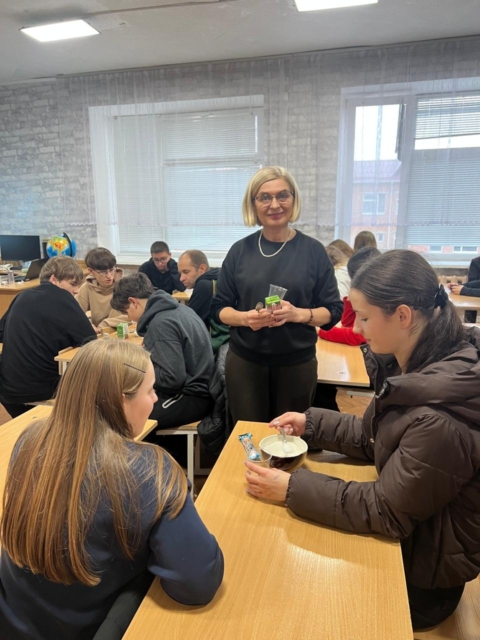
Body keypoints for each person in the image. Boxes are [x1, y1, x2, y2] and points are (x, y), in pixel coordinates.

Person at [244, 249, 480, 632]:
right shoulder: (418, 366)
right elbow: (375, 437)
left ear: (402, 316)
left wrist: (291, 488)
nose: (358, 329)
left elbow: (385, 512)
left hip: (418, 581)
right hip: (410, 545)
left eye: (365, 318)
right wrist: (311, 424)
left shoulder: (440, 415)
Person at [0, 339, 224, 640]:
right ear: (121, 401)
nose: (156, 399)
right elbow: (199, 582)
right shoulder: (150, 471)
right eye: (150, 390)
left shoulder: (29, 441)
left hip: (15, 621)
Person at [211, 166, 343, 425]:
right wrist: (245, 318)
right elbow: (219, 308)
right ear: (253, 204)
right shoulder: (239, 251)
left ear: (293, 199)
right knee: (249, 437)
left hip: (296, 365)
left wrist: (299, 314)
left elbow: (333, 311)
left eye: (282, 195)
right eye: (264, 197)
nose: (274, 205)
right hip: (245, 363)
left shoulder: (313, 251)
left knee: (289, 438)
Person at [112, 273, 214, 428]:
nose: (130, 319)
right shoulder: (178, 309)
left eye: (126, 313)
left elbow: (171, 380)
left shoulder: (161, 323)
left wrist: (138, 366)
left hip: (193, 396)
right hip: (201, 388)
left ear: (133, 302)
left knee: (125, 416)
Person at [0, 257, 96, 418]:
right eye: (73, 284)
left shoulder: (22, 296)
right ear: (54, 279)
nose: (76, 291)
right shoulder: (63, 298)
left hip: (8, 391)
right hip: (44, 390)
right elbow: (90, 341)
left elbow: (1, 333)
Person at [319, 246, 380, 346]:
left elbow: (356, 336)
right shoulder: (364, 294)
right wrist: (350, 296)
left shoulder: (378, 301)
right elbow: (347, 323)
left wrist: (322, 332)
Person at [178, 250, 230, 354]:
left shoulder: (204, 285)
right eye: (180, 273)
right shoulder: (219, 278)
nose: (181, 278)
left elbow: (187, 322)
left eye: (186, 272)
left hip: (216, 348)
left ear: (202, 269)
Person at [75, 247, 128, 332]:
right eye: (103, 272)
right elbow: (74, 313)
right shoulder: (87, 288)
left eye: (111, 270)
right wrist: (87, 325)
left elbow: (134, 315)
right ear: (91, 271)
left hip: (124, 332)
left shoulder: (126, 284)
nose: (109, 276)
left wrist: (105, 324)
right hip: (100, 334)